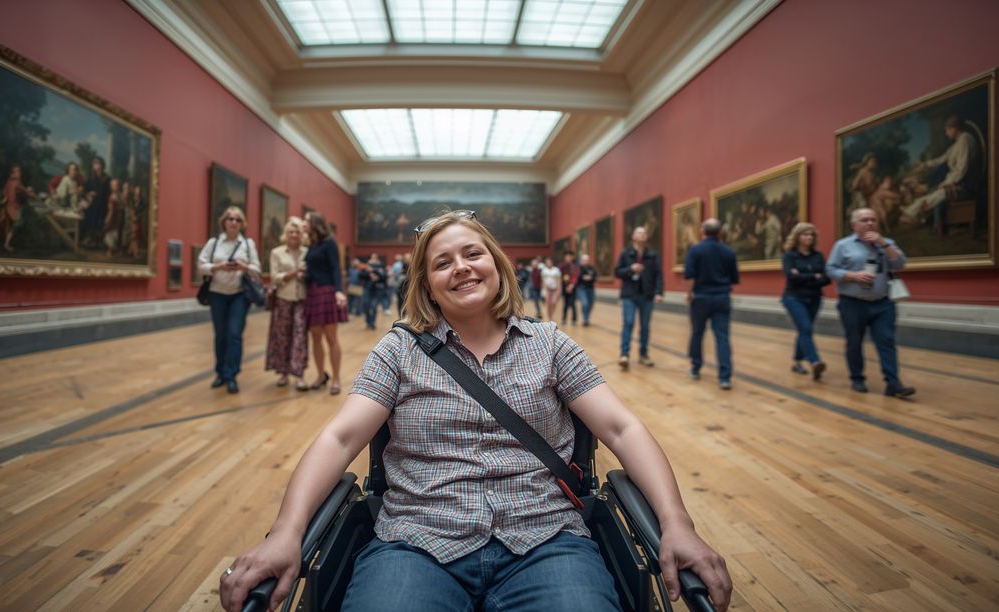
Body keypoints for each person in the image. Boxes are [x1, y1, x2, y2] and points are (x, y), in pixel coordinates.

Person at [218, 210, 732, 612]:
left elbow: (622, 428)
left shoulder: (550, 344)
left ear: (496, 264)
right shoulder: (398, 352)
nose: (461, 267)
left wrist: (677, 523)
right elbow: (340, 439)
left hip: (545, 539)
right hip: (416, 541)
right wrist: (287, 532)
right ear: (427, 284)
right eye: (442, 262)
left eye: (472, 254)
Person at [826, 208, 916, 397]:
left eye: (873, 220)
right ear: (854, 225)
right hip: (853, 303)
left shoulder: (887, 243)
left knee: (887, 341)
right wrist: (853, 275)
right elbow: (831, 270)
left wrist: (882, 243)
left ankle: (893, 383)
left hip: (883, 303)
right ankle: (857, 379)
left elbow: (900, 264)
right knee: (854, 342)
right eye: (865, 220)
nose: (870, 223)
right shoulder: (843, 245)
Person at [198, 206, 262, 394]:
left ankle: (231, 375)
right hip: (217, 293)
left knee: (234, 334)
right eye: (230, 219)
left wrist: (244, 267)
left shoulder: (248, 244)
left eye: (238, 220)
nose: (234, 222)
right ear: (224, 221)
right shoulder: (214, 242)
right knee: (221, 335)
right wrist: (218, 266)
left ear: (242, 224)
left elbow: (257, 269)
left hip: (239, 295)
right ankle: (220, 373)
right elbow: (201, 266)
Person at [900, 115, 981, 233]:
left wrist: (946, 183)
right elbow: (941, 159)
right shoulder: (956, 144)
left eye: (947, 130)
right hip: (954, 182)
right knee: (934, 194)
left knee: (936, 195)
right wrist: (925, 165)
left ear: (954, 128)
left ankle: (911, 212)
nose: (946, 133)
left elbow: (961, 169)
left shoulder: (966, 139)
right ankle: (912, 212)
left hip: (965, 185)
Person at [684, 219, 739, 390]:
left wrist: (689, 294)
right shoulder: (729, 252)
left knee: (697, 333)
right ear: (719, 232)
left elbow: (690, 276)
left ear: (703, 231)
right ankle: (724, 377)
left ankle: (695, 368)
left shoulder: (695, 250)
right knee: (722, 337)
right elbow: (734, 278)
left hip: (701, 297)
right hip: (722, 297)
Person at [302, 211, 348, 395]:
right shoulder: (311, 245)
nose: (303, 223)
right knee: (315, 337)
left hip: (327, 291)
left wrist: (339, 290)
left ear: (315, 223)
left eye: (306, 220)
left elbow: (335, 268)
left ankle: (336, 378)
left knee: (331, 337)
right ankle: (321, 375)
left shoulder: (329, 242)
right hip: (312, 292)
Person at [780, 222, 830, 380]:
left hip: (815, 298)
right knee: (806, 328)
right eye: (805, 234)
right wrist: (814, 276)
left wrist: (802, 276)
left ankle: (796, 362)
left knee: (804, 331)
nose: (809, 237)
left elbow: (826, 278)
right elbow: (791, 277)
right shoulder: (789, 255)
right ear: (797, 237)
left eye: (811, 235)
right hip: (793, 297)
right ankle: (815, 361)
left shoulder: (818, 256)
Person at [266, 217, 310, 391]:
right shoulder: (277, 252)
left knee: (300, 336)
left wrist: (305, 276)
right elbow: (274, 277)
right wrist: (292, 274)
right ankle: (283, 373)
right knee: (282, 336)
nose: (294, 235)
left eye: (297, 232)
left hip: (302, 300)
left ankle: (299, 375)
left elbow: (313, 274)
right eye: (291, 232)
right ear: (286, 234)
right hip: (283, 299)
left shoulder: (307, 252)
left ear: (302, 235)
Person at [614, 226, 663, 369]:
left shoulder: (652, 255)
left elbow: (658, 275)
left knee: (645, 326)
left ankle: (643, 355)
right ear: (633, 237)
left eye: (644, 233)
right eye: (639, 233)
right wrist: (631, 269)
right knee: (628, 323)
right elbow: (617, 272)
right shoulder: (626, 253)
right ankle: (624, 355)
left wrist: (658, 292)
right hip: (629, 294)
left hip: (647, 295)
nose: (642, 235)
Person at [0, 164, 36, 252]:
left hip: (9, 207)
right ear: (13, 173)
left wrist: (4, 200)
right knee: (29, 217)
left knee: (27, 215)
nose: (19, 173)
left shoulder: (9, 181)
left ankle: (21, 241)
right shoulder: (16, 182)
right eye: (17, 171)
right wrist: (34, 195)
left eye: (19, 171)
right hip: (14, 208)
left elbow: (6, 194)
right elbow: (25, 192)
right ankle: (8, 244)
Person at [360, 253, 388, 330]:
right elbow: (360, 275)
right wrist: (369, 274)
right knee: (366, 305)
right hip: (367, 289)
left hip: (377, 289)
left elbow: (384, 276)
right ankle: (368, 322)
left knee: (374, 306)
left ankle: (372, 323)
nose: (373, 259)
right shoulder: (365, 266)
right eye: (372, 257)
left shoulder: (381, 266)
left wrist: (376, 276)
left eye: (375, 258)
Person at [559, 250, 581, 325]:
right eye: (566, 256)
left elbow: (576, 276)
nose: (568, 258)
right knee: (565, 304)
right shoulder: (562, 266)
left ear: (572, 257)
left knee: (572, 303)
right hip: (564, 287)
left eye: (569, 256)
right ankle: (564, 319)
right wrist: (565, 285)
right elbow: (560, 276)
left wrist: (571, 285)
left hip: (573, 288)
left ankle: (574, 320)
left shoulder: (575, 266)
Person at [576, 253, 597, 326]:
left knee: (591, 304)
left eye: (587, 260)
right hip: (581, 288)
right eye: (584, 260)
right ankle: (585, 319)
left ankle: (587, 317)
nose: (586, 261)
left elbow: (595, 276)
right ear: (581, 260)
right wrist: (583, 278)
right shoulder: (578, 268)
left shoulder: (592, 268)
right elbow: (576, 278)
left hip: (590, 288)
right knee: (585, 303)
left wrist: (591, 278)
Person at [540, 257, 562, 322]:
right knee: (548, 303)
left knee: (553, 302)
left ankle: (552, 315)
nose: (548, 263)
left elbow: (559, 280)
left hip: (555, 289)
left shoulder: (556, 270)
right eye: (547, 262)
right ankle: (549, 316)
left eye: (549, 262)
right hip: (547, 289)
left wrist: (559, 289)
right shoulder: (544, 270)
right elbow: (543, 281)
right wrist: (543, 290)